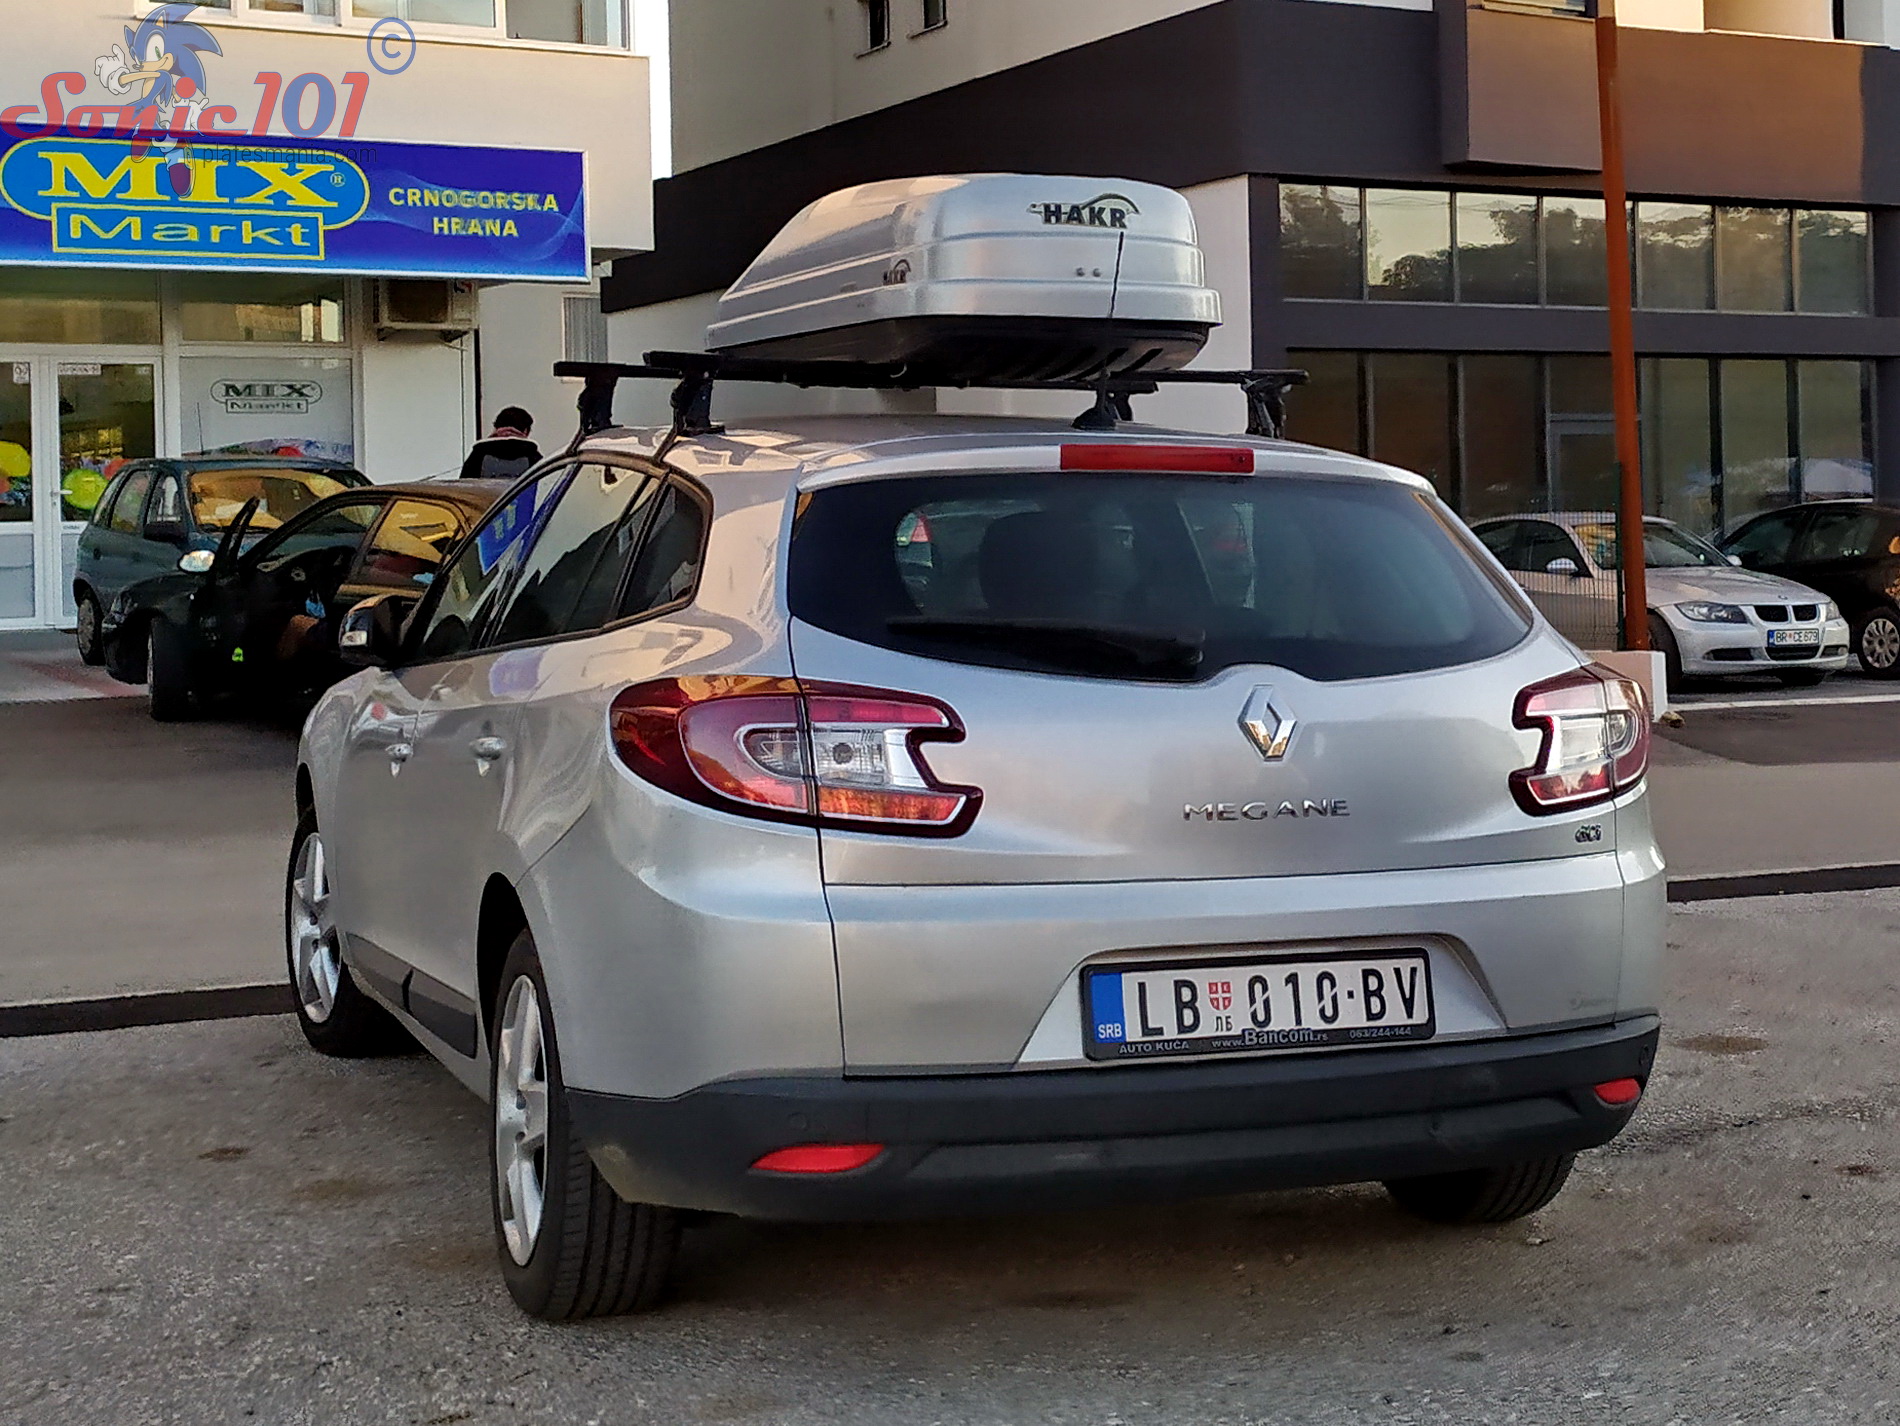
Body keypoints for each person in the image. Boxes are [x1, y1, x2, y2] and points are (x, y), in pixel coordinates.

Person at [461, 407, 541, 481]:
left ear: (496, 428)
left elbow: (463, 489)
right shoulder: (534, 457)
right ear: (526, 431)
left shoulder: (477, 455)